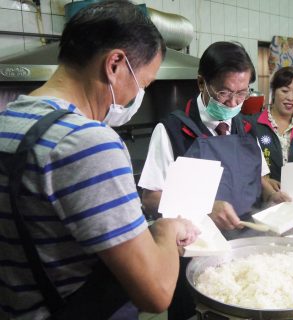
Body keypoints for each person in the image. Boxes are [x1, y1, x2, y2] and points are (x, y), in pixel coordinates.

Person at [0, 1, 199, 319]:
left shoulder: (8, 120)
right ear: (115, 64)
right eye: (142, 85)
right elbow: (157, 293)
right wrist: (166, 229)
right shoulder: (89, 142)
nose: (135, 98)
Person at [138, 41, 290, 319]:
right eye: (224, 93)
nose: (233, 103)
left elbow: (260, 180)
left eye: (242, 94)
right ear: (201, 83)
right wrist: (207, 207)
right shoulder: (172, 130)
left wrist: (273, 194)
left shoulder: (248, 129)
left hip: (246, 253)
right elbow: (150, 197)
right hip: (194, 254)